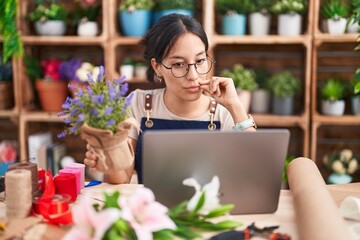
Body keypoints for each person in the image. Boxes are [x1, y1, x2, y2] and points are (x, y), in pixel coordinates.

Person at [84, 14, 256, 184]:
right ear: (157, 67)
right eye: (178, 64)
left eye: (200, 60)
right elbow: (121, 180)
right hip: (152, 209)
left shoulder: (223, 113)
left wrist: (235, 106)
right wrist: (108, 158)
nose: (193, 75)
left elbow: (254, 172)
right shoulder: (138, 104)